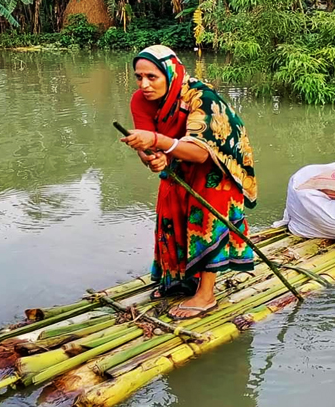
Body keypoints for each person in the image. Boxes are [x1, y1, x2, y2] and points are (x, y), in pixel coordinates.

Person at [120, 45, 258, 320]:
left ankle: (206, 294)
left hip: (215, 167)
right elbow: (145, 144)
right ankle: (180, 279)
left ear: (170, 74)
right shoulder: (140, 100)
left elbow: (200, 151)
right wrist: (149, 158)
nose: (144, 84)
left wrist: (158, 143)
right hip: (177, 163)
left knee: (203, 220)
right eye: (139, 77)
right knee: (169, 216)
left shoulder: (201, 98)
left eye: (152, 77)